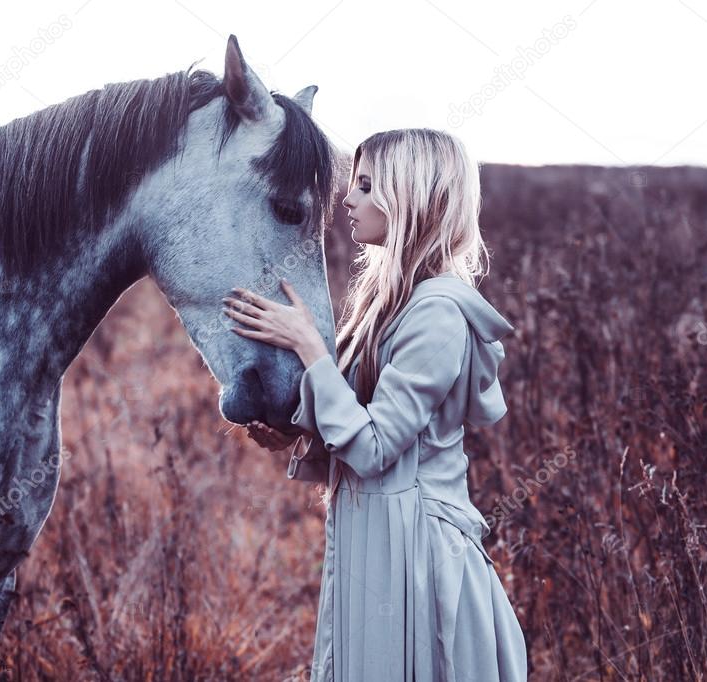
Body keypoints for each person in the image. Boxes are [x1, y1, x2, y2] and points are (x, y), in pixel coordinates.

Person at [222, 128, 528, 680]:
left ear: (410, 194)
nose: (349, 198)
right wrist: (300, 434)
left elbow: (376, 448)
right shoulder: (391, 301)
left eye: (366, 185)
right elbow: (363, 421)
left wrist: (309, 344)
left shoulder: (437, 312)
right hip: (377, 541)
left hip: (415, 554)